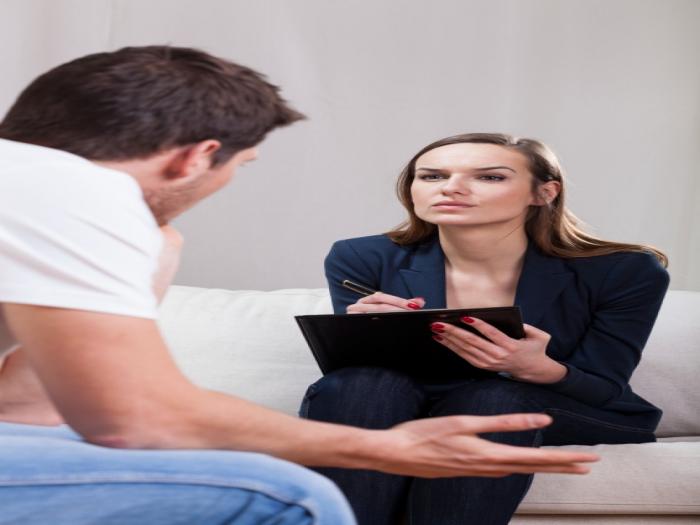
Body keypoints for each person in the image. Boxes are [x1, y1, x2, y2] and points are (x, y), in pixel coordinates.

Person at [0, 49, 597, 525]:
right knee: (290, 497)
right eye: (240, 166)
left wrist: (151, 259)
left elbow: (25, 408)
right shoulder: (84, 194)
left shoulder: (30, 184)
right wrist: (383, 448)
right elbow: (135, 416)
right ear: (196, 158)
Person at [301, 132, 669, 525]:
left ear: (544, 192)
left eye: (489, 177)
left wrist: (540, 369)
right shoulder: (360, 256)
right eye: (432, 176)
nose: (451, 188)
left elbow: (604, 384)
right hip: (408, 399)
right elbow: (355, 379)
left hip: (550, 403)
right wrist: (367, 333)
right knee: (360, 385)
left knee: (493, 398)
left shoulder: (625, 270)